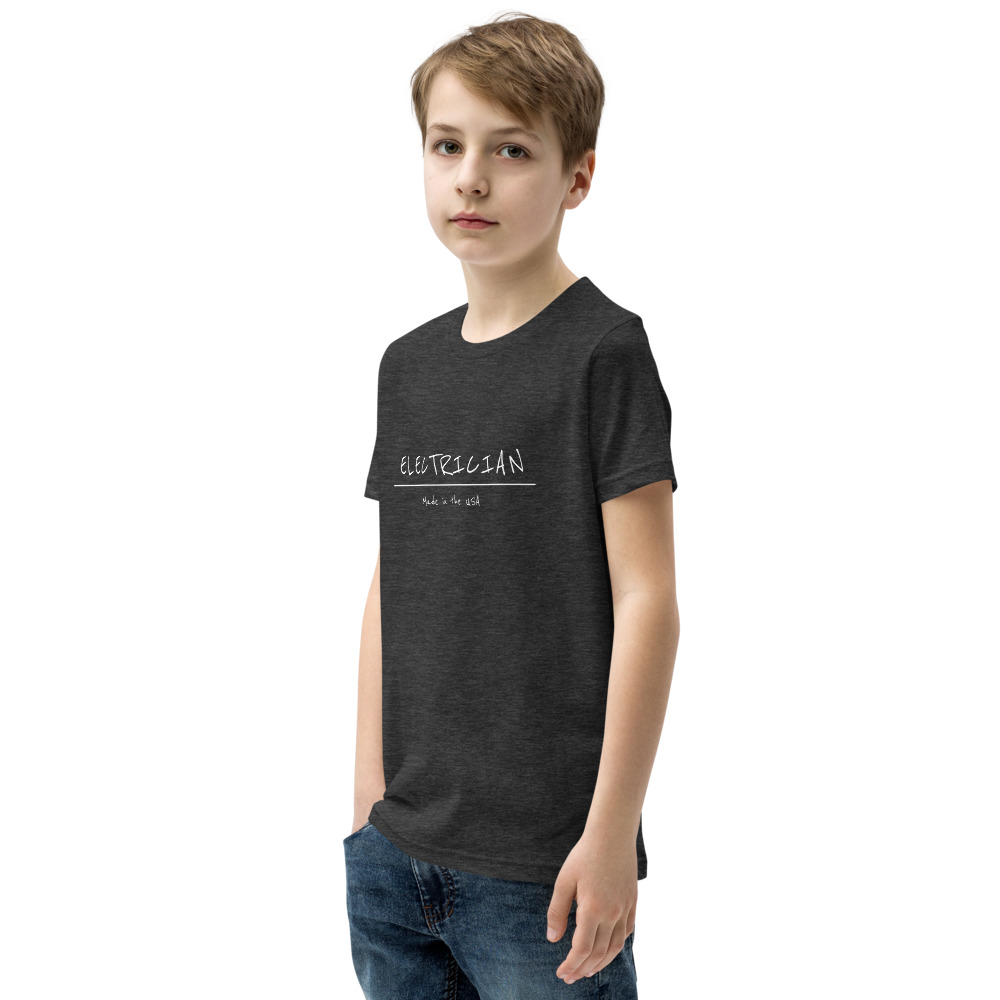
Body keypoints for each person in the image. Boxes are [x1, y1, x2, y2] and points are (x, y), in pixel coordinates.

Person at [345, 12, 679, 998]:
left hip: (543, 872)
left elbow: (649, 600)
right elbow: (392, 582)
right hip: (395, 858)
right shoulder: (407, 366)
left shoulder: (603, 351)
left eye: (512, 150)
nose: (471, 179)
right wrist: (367, 806)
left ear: (578, 177)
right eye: (446, 145)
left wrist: (611, 834)